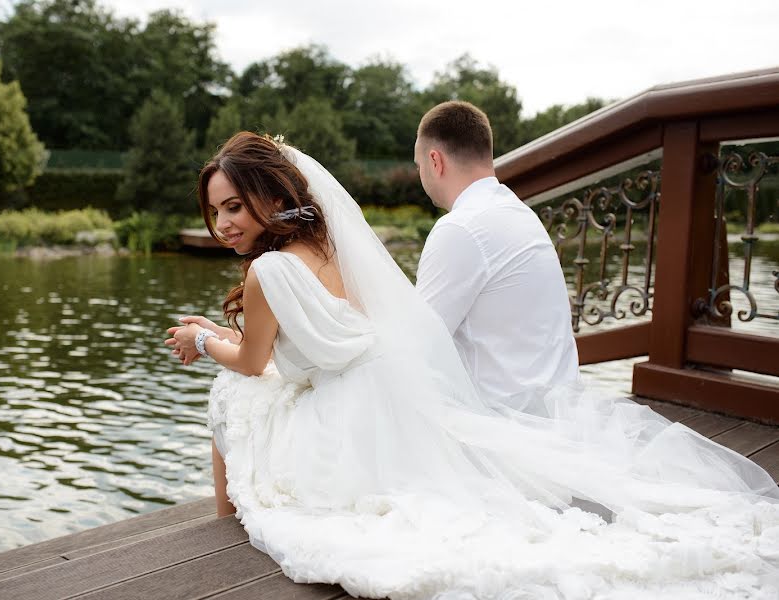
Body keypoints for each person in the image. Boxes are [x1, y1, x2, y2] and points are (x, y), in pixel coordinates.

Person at [166, 131, 779, 600]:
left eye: (235, 208)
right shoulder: (323, 244)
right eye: (215, 211)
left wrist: (200, 341)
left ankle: (223, 533)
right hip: (386, 390)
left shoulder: (266, 271)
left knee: (229, 394)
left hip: (343, 410)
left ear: (272, 198)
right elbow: (306, 337)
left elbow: (251, 362)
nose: (222, 225)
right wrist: (220, 331)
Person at [414, 101, 579, 400]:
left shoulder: (460, 228)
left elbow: (417, 344)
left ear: (435, 161)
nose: (420, 173)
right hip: (557, 408)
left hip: (504, 420)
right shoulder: (520, 213)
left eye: (419, 164)